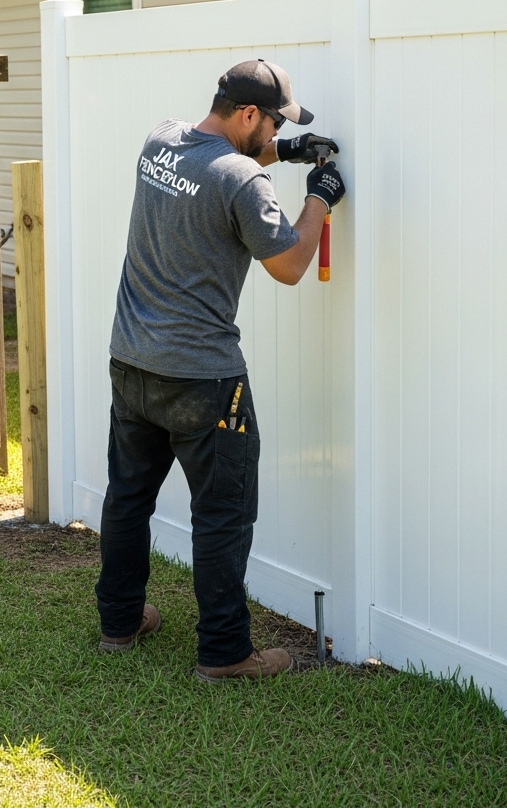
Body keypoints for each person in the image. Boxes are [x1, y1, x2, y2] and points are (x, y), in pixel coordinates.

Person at [95, 59, 346, 681]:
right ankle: (227, 653)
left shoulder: (160, 141)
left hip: (132, 362)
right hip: (203, 381)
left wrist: (285, 152)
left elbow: (216, 166)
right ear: (249, 114)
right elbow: (289, 265)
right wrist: (318, 198)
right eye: (275, 125)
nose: (276, 133)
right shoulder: (242, 181)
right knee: (222, 515)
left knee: (128, 498)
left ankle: (119, 623)